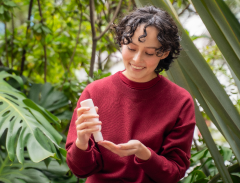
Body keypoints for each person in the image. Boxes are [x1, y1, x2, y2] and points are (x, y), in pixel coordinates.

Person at [65, 5, 196, 183]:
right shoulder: (94, 92)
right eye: (132, 48)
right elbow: (79, 170)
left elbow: (174, 172)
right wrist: (81, 141)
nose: (137, 59)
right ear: (122, 42)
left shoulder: (180, 101)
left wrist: (144, 154)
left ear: (164, 53)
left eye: (149, 53)